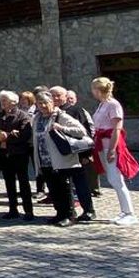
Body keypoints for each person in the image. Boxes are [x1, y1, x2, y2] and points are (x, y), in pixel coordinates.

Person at [31, 91, 90, 227]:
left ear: (52, 103)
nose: (43, 106)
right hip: (44, 160)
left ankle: (69, 215)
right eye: (40, 103)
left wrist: (61, 127)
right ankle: (59, 213)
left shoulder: (60, 116)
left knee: (64, 188)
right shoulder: (37, 118)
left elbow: (81, 131)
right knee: (53, 189)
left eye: (46, 103)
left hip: (60, 159)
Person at [90, 77, 139, 226]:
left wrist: (112, 149)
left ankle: (130, 213)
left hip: (109, 145)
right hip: (101, 145)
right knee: (112, 179)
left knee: (116, 179)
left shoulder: (113, 105)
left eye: (93, 89)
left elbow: (117, 129)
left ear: (98, 90)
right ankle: (124, 211)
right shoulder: (102, 105)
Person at [50, 86, 97, 222]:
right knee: (65, 186)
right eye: (53, 96)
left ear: (65, 96)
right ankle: (70, 212)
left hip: (77, 154)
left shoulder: (75, 110)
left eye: (58, 95)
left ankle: (89, 210)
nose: (56, 98)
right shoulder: (51, 113)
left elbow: (87, 133)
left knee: (81, 184)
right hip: (60, 155)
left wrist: (87, 154)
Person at [0, 91, 35, 221]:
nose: (2, 103)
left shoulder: (22, 116)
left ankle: (28, 211)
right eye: (2, 100)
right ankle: (13, 209)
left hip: (19, 154)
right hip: (5, 154)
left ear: (13, 102)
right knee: (9, 182)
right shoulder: (0, 116)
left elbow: (25, 135)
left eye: (5, 100)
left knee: (23, 182)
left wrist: (8, 137)